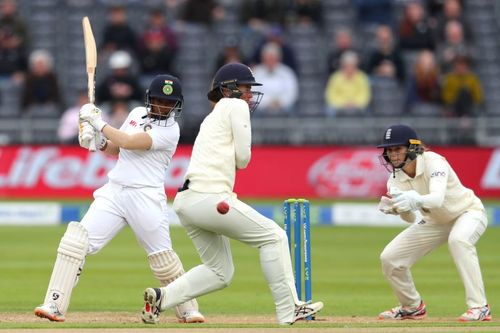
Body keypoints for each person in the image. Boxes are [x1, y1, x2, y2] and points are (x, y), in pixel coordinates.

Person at [140, 62, 324, 325]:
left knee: (220, 272)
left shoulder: (211, 116)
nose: (249, 95)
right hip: (211, 196)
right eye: (246, 88)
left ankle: (161, 298)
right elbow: (244, 159)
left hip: (187, 202)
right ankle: (289, 310)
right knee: (274, 237)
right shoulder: (235, 106)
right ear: (229, 90)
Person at [34, 74, 204, 324]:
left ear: (176, 105)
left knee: (162, 258)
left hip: (146, 196)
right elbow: (117, 147)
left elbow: (130, 141)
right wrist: (97, 142)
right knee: (75, 241)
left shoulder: (171, 130)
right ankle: (54, 304)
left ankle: (188, 309)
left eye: (169, 103)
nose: (164, 107)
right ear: (150, 100)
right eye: (159, 101)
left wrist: (97, 121)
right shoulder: (136, 114)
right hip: (115, 192)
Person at [376, 124, 491, 322]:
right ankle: (412, 307)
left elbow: (437, 199)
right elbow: (411, 218)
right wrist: (398, 209)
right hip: (435, 221)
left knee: (459, 240)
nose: (392, 155)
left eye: (397, 149)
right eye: (389, 150)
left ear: (412, 148)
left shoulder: (434, 162)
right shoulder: (394, 179)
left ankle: (479, 307)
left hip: (467, 212)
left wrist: (414, 199)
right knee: (390, 258)